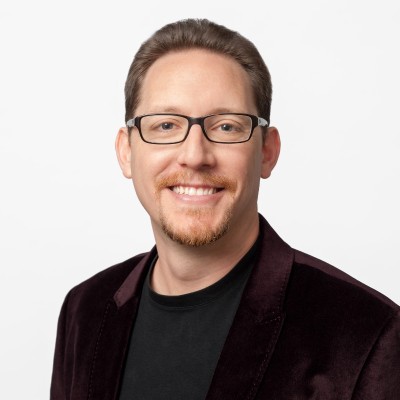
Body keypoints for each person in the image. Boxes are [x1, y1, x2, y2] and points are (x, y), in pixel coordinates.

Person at [50, 18, 400, 400]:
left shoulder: (367, 335)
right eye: (165, 125)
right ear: (126, 152)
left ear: (267, 152)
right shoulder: (84, 310)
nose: (194, 155)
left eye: (227, 127)